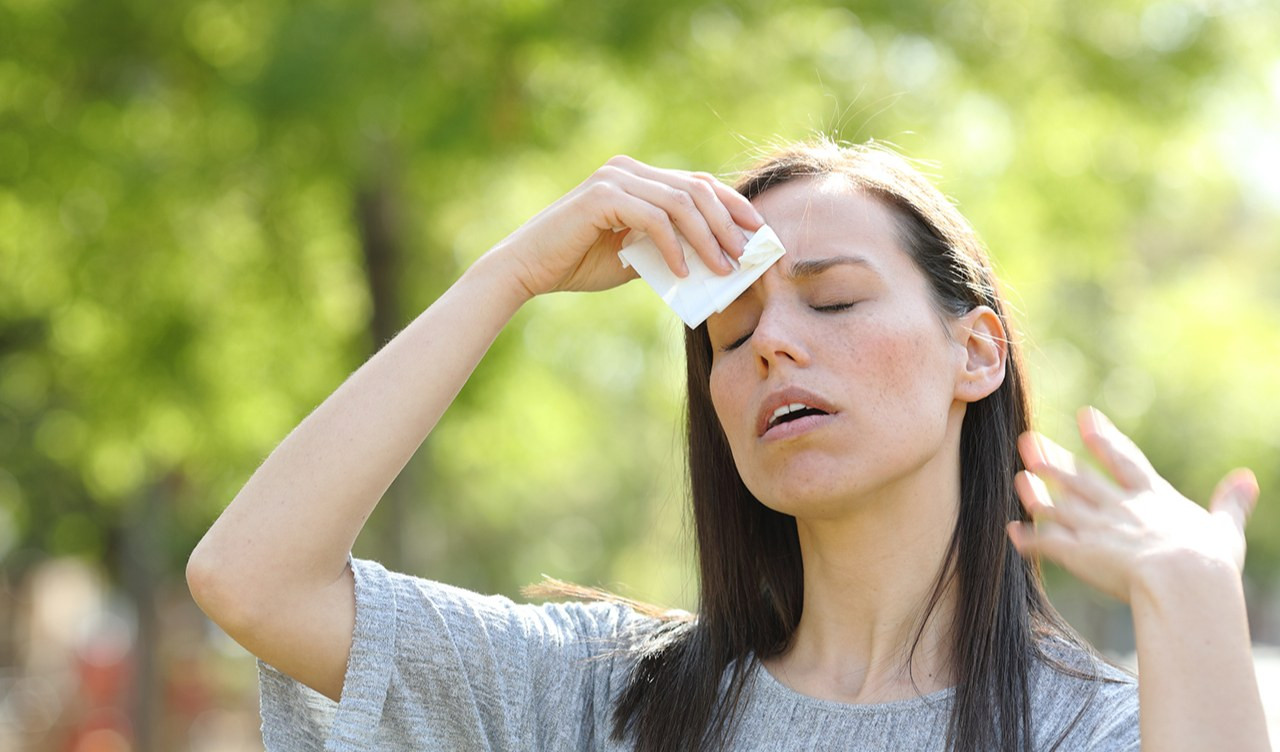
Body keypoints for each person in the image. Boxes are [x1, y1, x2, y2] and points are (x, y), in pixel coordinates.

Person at [186, 139, 1271, 751]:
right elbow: (251, 577)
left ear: (974, 350)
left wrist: (1188, 592)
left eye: (834, 300)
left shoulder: (1097, 729)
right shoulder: (600, 696)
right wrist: (506, 275)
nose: (770, 351)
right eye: (731, 332)